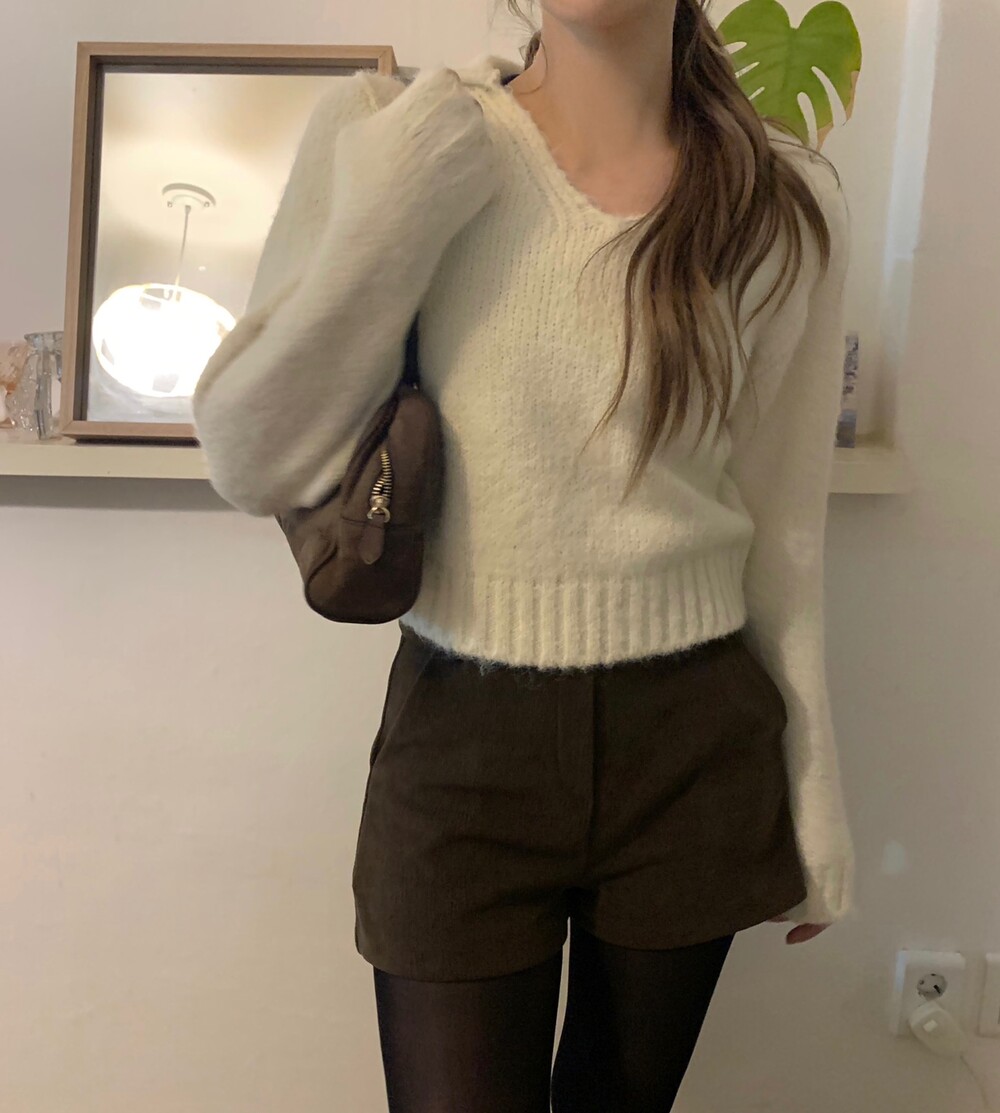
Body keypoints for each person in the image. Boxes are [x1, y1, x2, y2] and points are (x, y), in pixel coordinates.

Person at [193, 1, 858, 1109]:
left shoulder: (778, 199)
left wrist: (816, 793)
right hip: (462, 741)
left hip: (694, 744)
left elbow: (785, 521)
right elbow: (249, 454)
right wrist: (399, 206)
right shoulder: (400, 133)